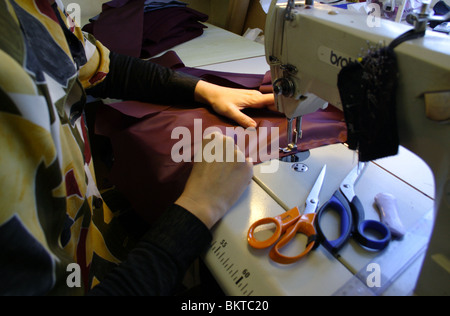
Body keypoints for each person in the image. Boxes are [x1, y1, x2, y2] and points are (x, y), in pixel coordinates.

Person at [0, 0, 274, 295]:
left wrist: (202, 89)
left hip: (91, 237)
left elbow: (96, 65)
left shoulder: (27, 7)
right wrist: (200, 207)